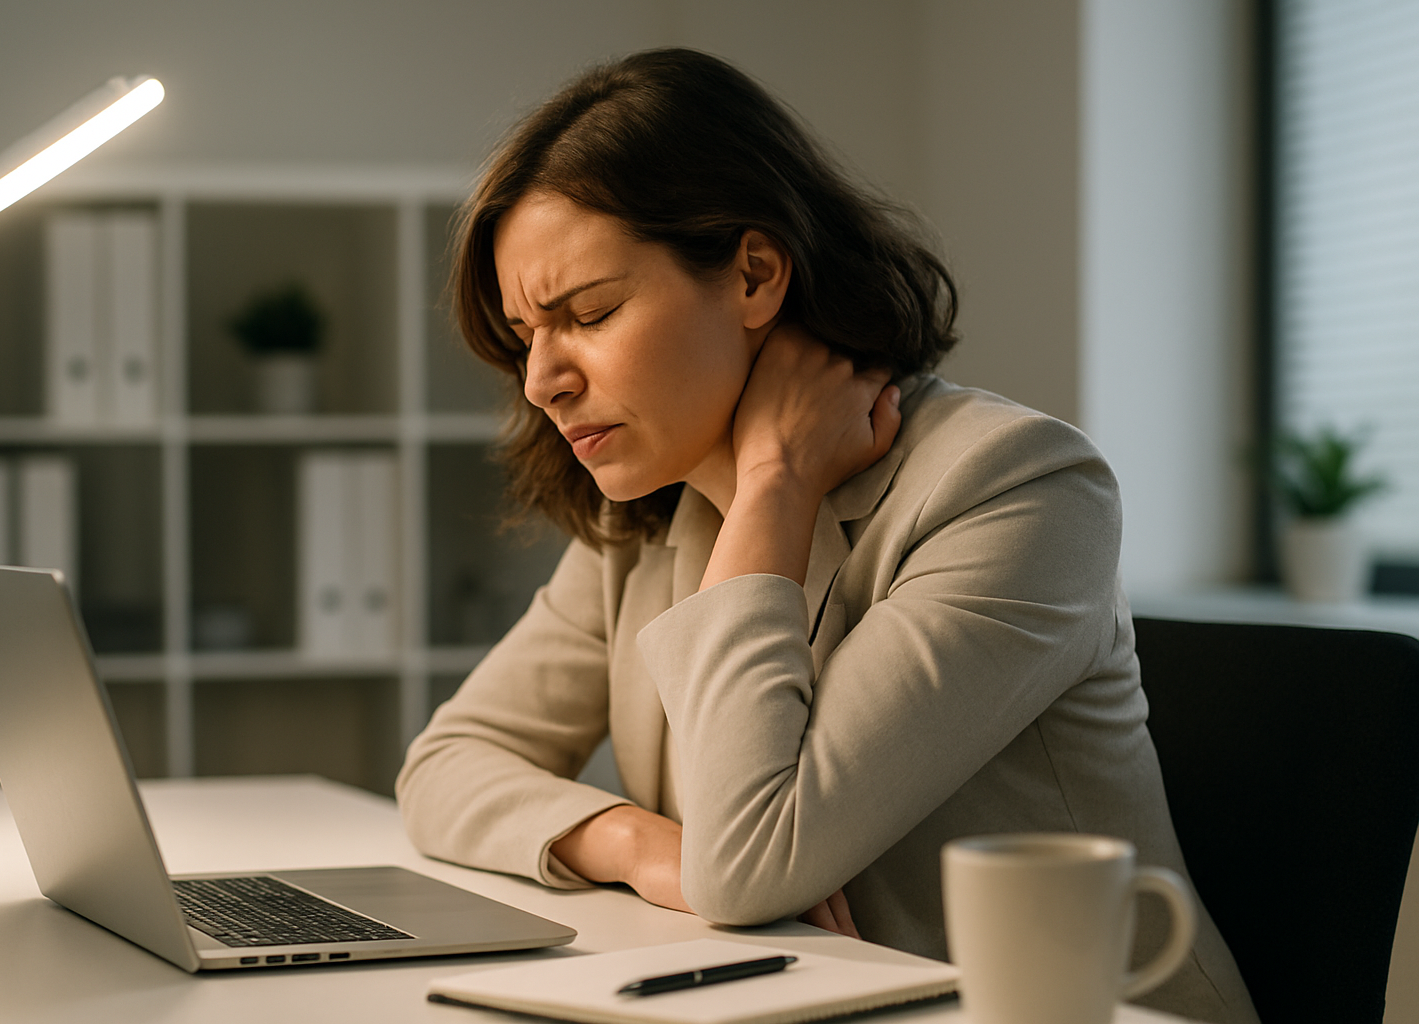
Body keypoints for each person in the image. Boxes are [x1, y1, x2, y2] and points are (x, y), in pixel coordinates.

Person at [395, 48, 1258, 1024]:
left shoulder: (1017, 487)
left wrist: (776, 480)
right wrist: (640, 844)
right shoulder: (640, 516)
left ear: (756, 273)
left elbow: (752, 863)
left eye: (587, 313)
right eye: (523, 338)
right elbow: (446, 764)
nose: (543, 378)